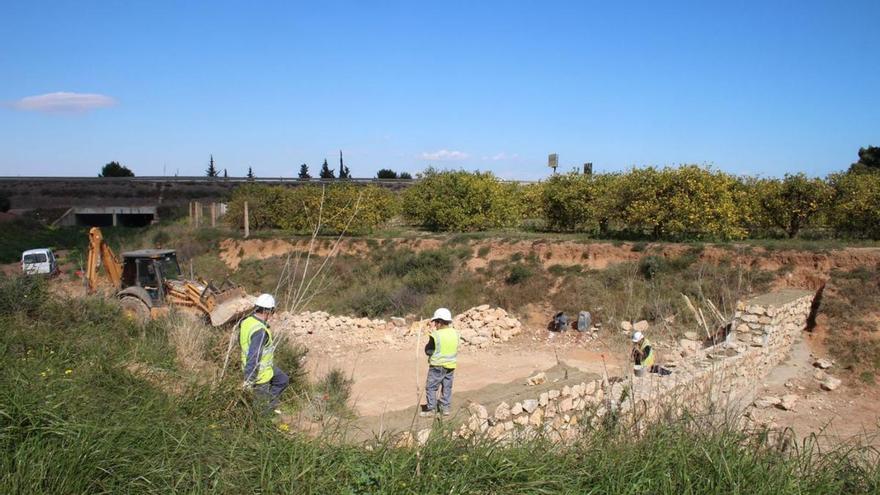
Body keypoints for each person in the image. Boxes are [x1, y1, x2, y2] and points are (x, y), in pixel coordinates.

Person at [240, 293, 289, 412]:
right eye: (273, 311)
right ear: (267, 311)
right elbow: (254, 356)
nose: (273, 314)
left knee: (282, 380)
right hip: (259, 374)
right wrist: (249, 380)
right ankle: (263, 418)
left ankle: (270, 405)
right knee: (260, 410)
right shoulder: (260, 332)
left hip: (265, 367)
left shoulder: (247, 321)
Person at [421, 308, 460, 417]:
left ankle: (431, 409)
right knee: (447, 387)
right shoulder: (455, 333)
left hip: (437, 366)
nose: (435, 325)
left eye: (436, 322)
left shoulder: (436, 335)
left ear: (440, 322)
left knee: (431, 387)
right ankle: (445, 408)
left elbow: (428, 351)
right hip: (451, 366)